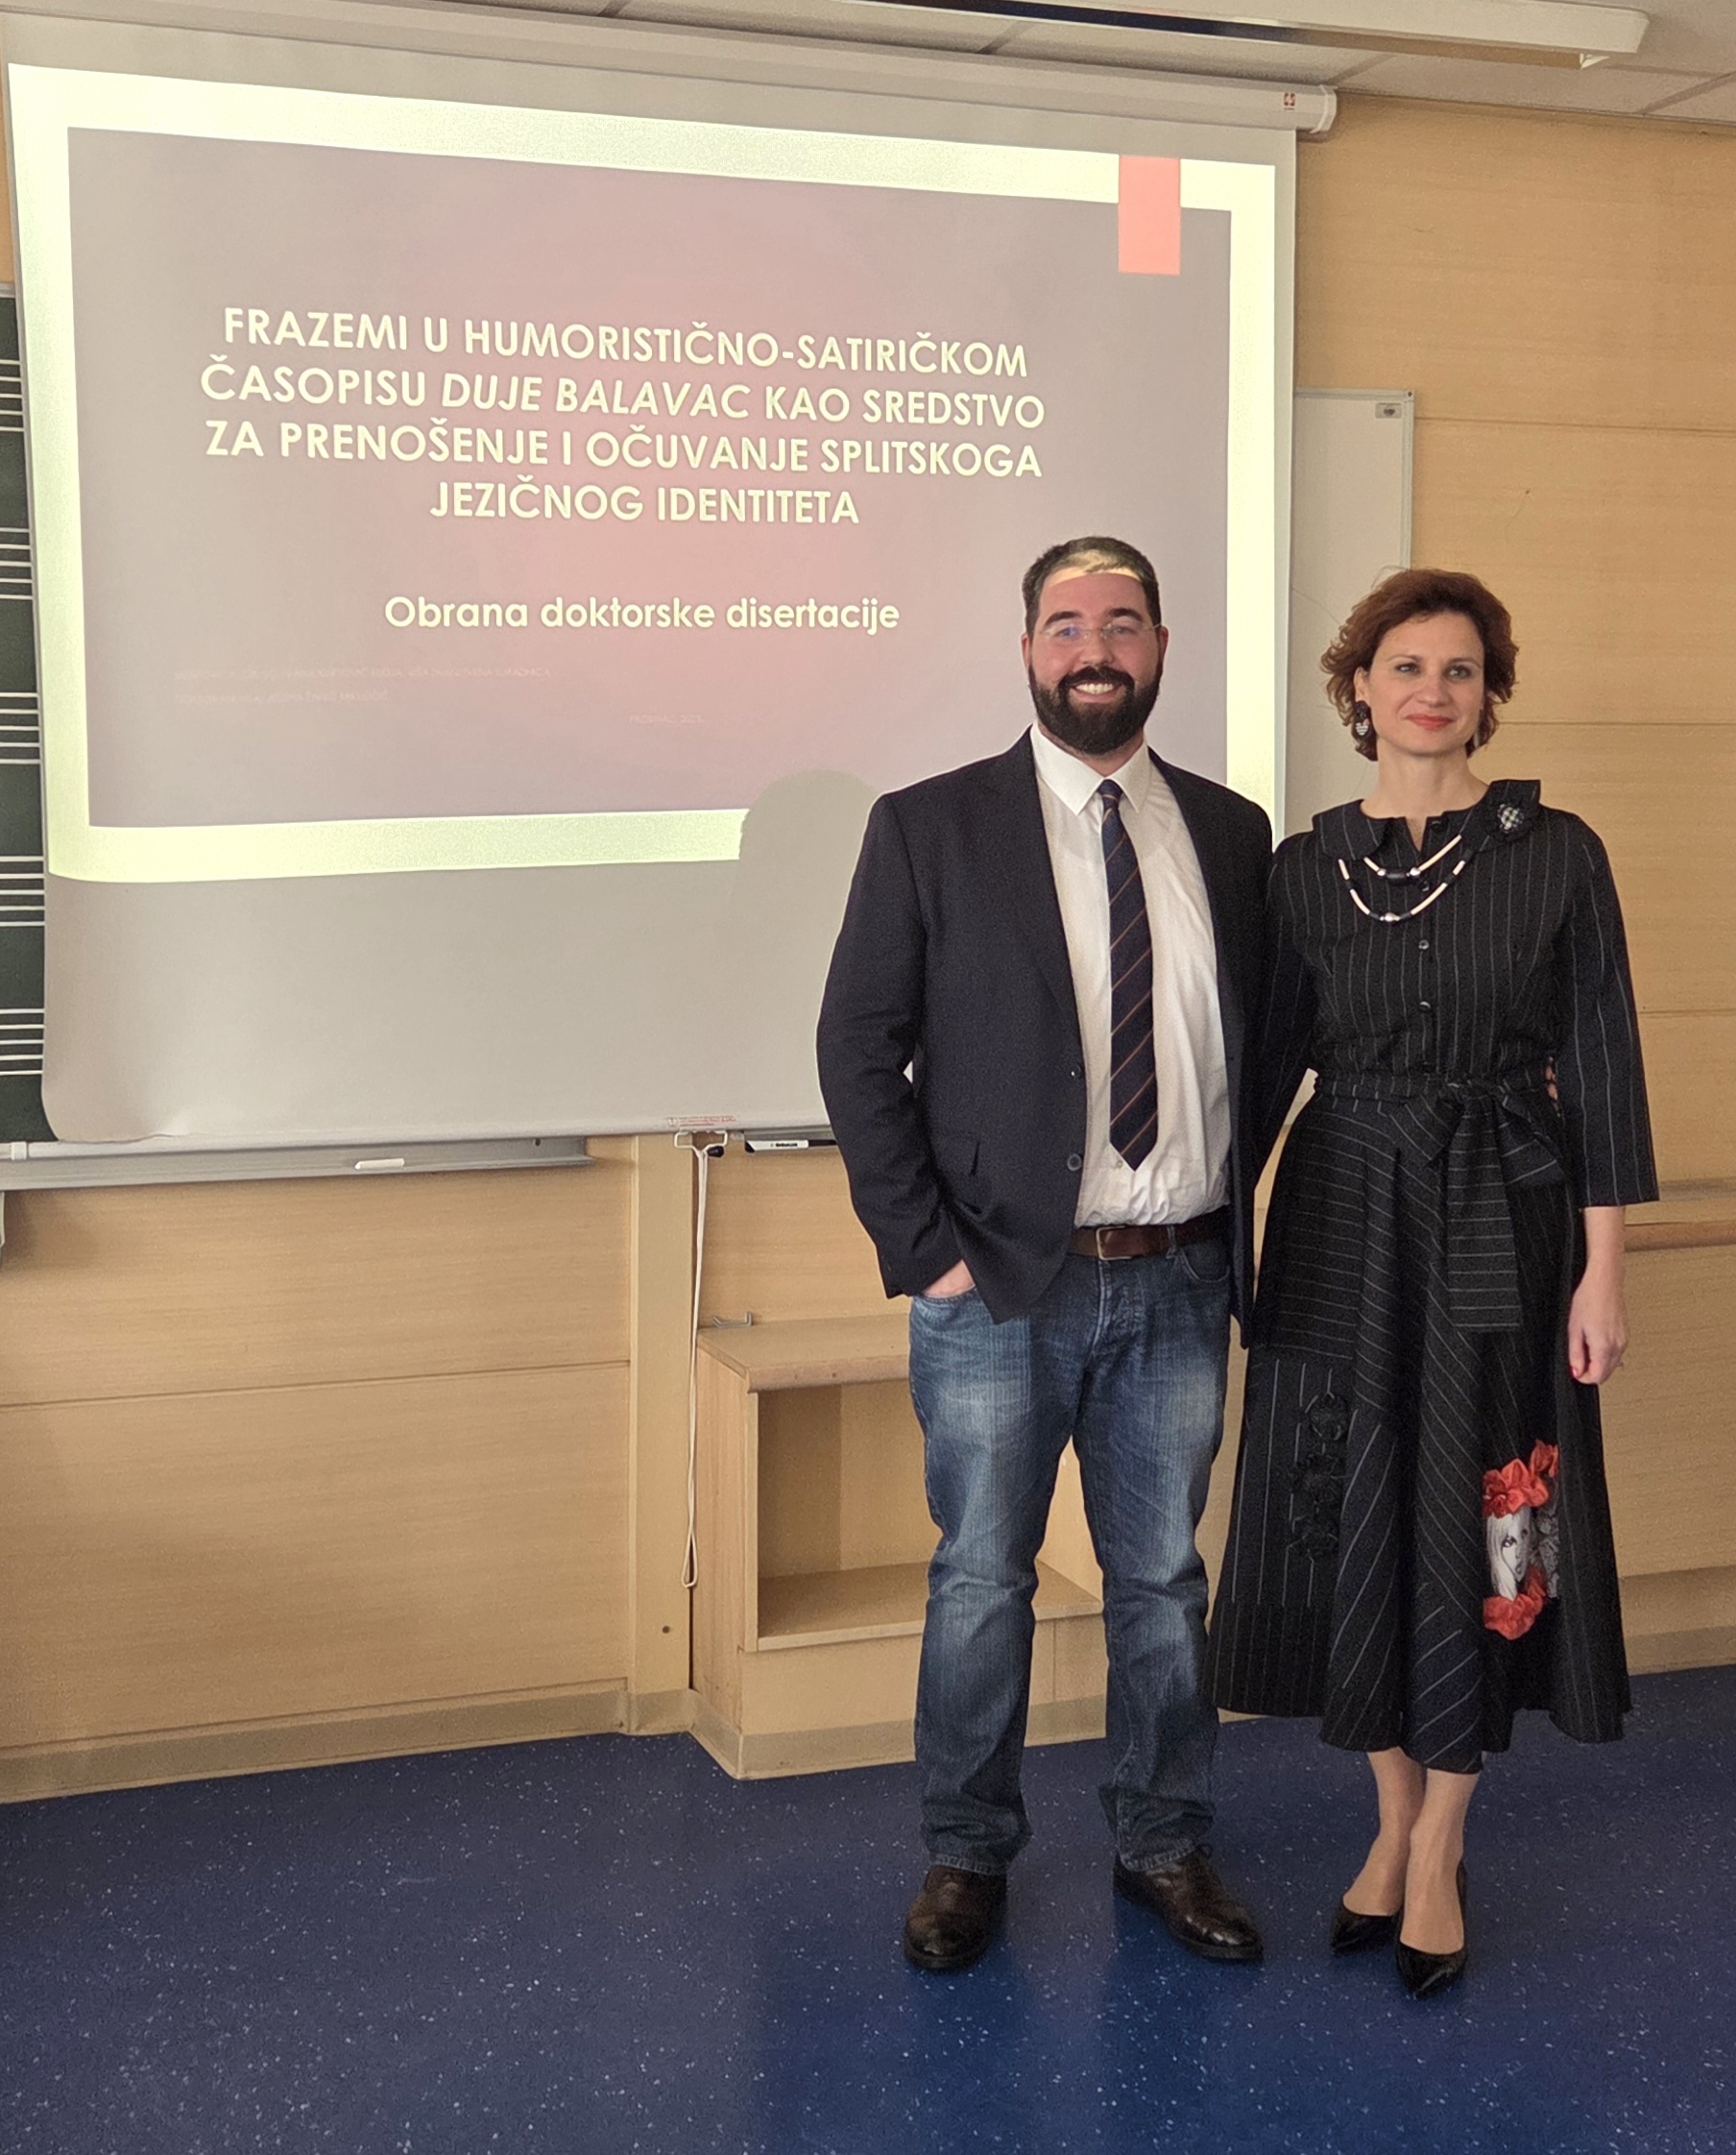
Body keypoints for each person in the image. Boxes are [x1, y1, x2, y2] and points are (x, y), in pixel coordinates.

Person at [817, 536, 1271, 1973]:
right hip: (998, 1290)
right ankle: (966, 1855)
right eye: (1066, 624)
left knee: (1163, 1585)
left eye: (1122, 622)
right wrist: (925, 1252)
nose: (1095, 648)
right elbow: (857, 1047)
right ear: (1027, 650)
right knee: (981, 1582)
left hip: (1181, 1275)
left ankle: (1163, 1841)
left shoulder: (1233, 832)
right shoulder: (929, 827)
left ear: (1162, 647)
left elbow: (1265, 1044)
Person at [1205, 568, 1656, 1998]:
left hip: (1499, 1219)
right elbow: (1260, 1078)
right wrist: (1212, 1244)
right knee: (1350, 1508)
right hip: (1340, 1213)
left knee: (1485, 1510)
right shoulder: (1303, 868)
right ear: (1359, 689)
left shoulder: (1555, 853)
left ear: (1488, 695)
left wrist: (1604, 1274)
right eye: (1406, 666)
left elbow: (1602, 1071)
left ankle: (1448, 1838)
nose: (1432, 691)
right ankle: (1392, 1820)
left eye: (1460, 670)